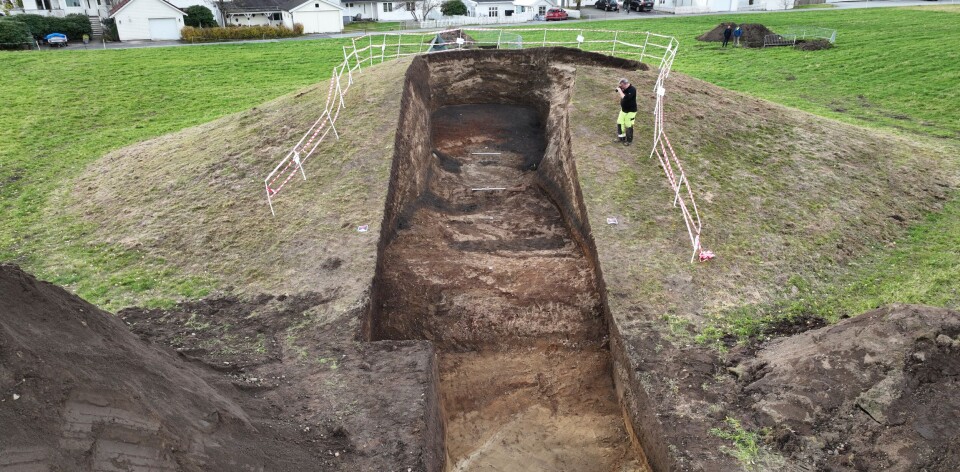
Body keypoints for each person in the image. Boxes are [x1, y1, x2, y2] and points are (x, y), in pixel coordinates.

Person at [615, 78, 637, 146]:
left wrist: (620, 91)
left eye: (621, 85)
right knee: (620, 122)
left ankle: (629, 140)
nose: (620, 86)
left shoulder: (632, 89)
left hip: (631, 111)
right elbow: (617, 90)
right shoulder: (623, 88)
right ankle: (621, 138)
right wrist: (619, 89)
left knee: (628, 124)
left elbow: (625, 98)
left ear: (625, 84)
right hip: (623, 109)